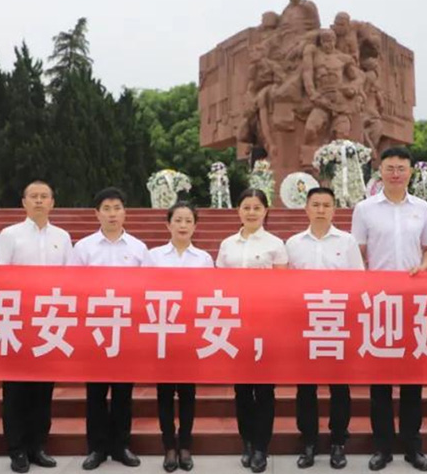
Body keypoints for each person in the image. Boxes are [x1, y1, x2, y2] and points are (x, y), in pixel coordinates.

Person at [350, 147, 427, 472]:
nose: (396, 173)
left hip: (413, 302)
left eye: (402, 168)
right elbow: (356, 251)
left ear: (411, 172)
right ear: (381, 171)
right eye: (390, 168)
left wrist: (423, 267)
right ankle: (382, 447)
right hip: (378, 302)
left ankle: (413, 446)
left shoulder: (423, 209)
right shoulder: (365, 209)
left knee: (413, 379)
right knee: (380, 381)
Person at [0, 180, 72, 474]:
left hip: (49, 321)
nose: (39, 201)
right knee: (15, 390)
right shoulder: (9, 234)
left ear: (52, 203)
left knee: (43, 389)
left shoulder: (62, 237)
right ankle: (17, 449)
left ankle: (38, 446)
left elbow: (71, 277)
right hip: (17, 321)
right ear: (24, 202)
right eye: (33, 196)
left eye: (44, 196)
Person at [73, 187, 153, 470]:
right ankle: (96, 448)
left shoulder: (138, 248)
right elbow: (73, 287)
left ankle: (121, 445)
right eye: (106, 209)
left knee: (122, 392)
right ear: (97, 213)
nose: (112, 214)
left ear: (125, 212)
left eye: (117, 208)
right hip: (94, 328)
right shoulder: (83, 248)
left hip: (126, 328)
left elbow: (148, 288)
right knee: (95, 392)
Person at [285, 187, 364, 469]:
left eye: (326, 205)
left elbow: (358, 281)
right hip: (304, 323)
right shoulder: (293, 243)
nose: (320, 210)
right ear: (306, 209)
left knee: (339, 387)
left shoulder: (347, 241)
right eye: (315, 204)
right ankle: (308, 442)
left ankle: (338, 441)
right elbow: (285, 285)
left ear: (334, 209)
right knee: (305, 387)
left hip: (337, 322)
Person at [216, 188, 289, 473]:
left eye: (257, 207)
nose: (251, 212)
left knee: (265, 389)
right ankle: (246, 441)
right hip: (237, 325)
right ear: (238, 210)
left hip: (266, 325)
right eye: (246, 207)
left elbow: (283, 286)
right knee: (242, 389)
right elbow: (218, 285)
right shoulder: (227, 245)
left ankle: (261, 447)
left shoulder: (275, 244)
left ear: (265, 211)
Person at [148, 202, 215, 472]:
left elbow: (209, 294)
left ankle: (185, 445)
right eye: (178, 220)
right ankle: (168, 446)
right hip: (162, 331)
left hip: (190, 332)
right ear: (168, 224)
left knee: (187, 392)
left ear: (195, 226)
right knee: (164, 392)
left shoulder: (204, 259)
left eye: (188, 220)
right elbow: (144, 290)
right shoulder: (153, 256)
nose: (183, 225)